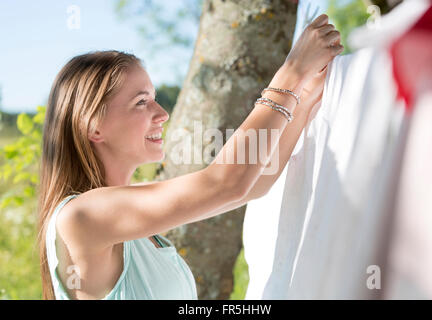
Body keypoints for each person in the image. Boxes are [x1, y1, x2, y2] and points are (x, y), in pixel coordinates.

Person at [37, 14, 343, 300]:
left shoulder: (133, 223)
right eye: (141, 102)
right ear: (94, 126)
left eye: (155, 99)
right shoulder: (81, 216)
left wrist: (303, 99)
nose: (162, 114)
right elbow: (226, 183)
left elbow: (253, 183)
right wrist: (291, 73)